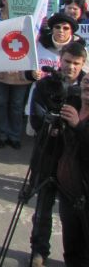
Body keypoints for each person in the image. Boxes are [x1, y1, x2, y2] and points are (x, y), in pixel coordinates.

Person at [28, 40, 86, 267]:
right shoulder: (44, 86)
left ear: (83, 64)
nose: (70, 67)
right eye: (67, 61)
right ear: (59, 60)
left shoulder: (85, 88)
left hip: (74, 162)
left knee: (74, 213)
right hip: (47, 156)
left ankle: (76, 257)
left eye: (76, 63)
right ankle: (38, 251)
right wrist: (50, 125)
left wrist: (73, 125)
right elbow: (36, 119)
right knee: (42, 209)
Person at [55, 70, 89, 267]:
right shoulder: (73, 106)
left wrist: (78, 126)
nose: (87, 86)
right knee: (71, 246)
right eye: (86, 81)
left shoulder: (76, 118)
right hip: (68, 191)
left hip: (86, 193)